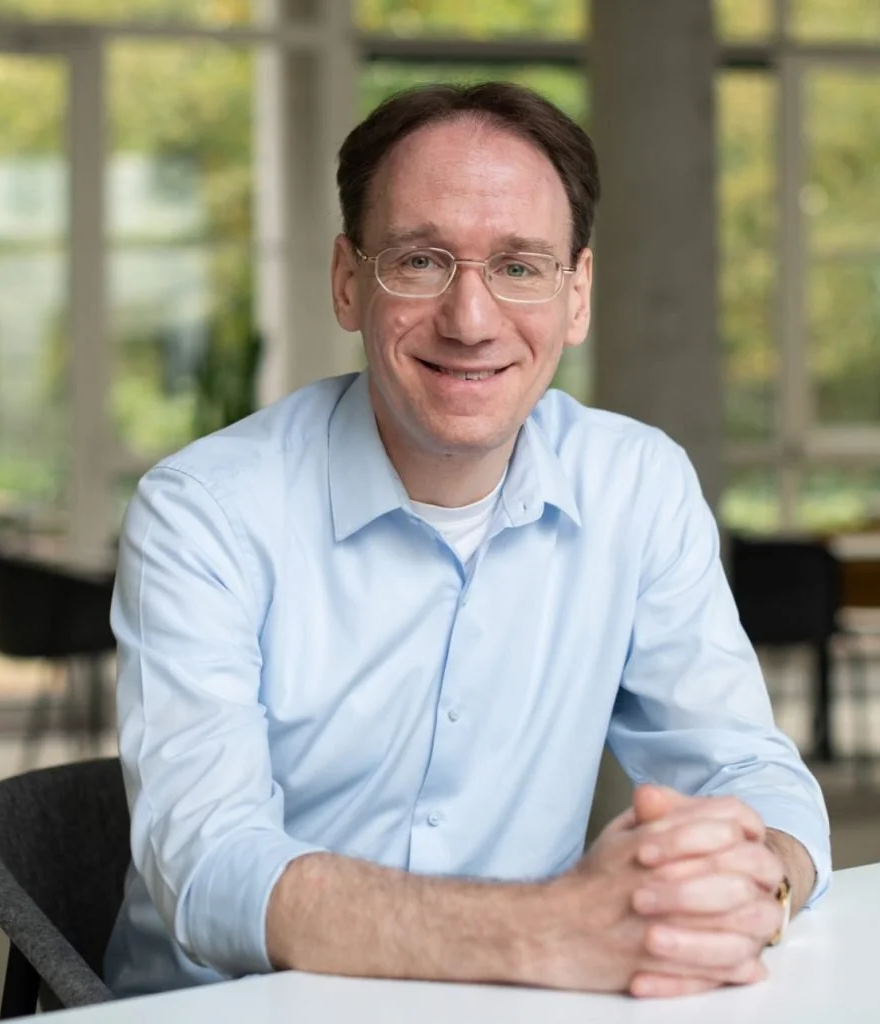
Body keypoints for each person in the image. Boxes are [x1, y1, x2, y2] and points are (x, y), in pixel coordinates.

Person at [103, 81, 830, 1002]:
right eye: (420, 261)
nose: (472, 319)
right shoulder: (203, 511)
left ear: (577, 294)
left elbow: (746, 769)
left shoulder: (637, 485)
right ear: (345, 281)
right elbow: (213, 871)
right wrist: (553, 929)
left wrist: (751, 889)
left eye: (520, 267)